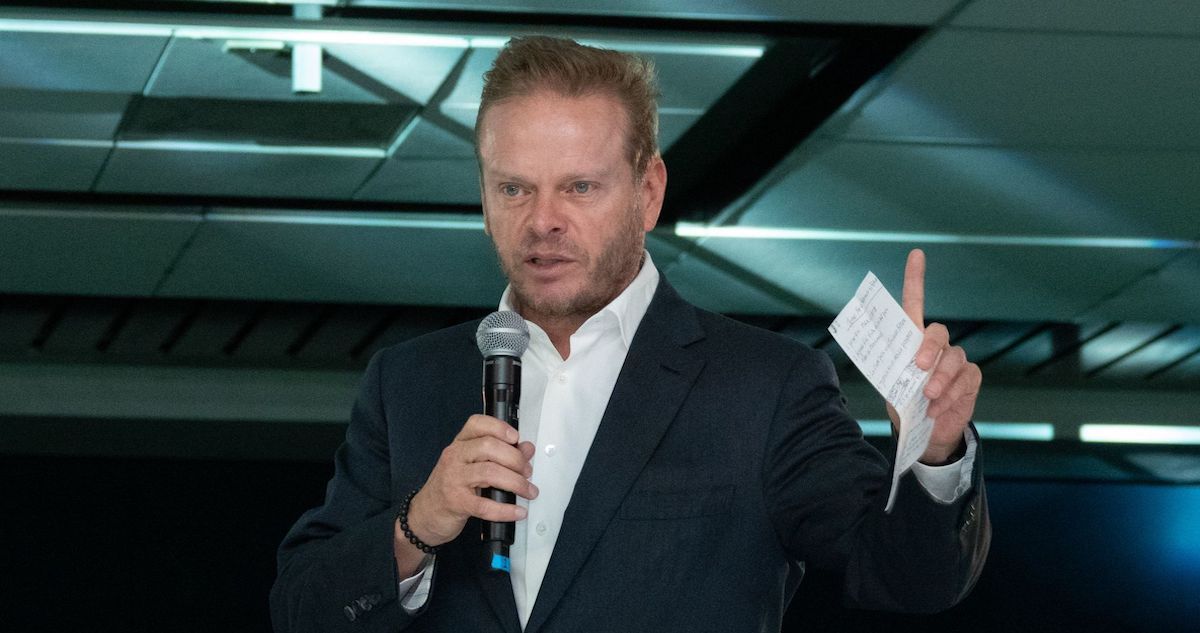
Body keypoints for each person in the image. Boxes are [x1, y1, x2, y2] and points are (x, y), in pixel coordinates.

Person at [270, 35, 990, 633]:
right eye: (514, 187)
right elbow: (302, 608)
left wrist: (933, 454)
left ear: (648, 192)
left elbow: (908, 578)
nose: (543, 219)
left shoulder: (764, 387)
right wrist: (418, 524)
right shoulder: (409, 381)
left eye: (580, 187)